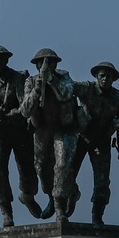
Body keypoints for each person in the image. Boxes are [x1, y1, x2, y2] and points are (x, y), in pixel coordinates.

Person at [0, 45, 43, 227]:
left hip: (20, 131)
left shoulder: (18, 79)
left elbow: (24, 106)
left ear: (6, 60)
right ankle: (6, 210)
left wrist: (8, 114)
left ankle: (28, 196)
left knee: (27, 169)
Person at [19, 48, 83, 222]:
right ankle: (57, 195)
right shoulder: (31, 82)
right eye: (41, 62)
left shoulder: (64, 77)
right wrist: (37, 90)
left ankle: (59, 208)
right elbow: (25, 111)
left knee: (61, 166)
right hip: (42, 131)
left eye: (50, 62)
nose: (45, 66)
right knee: (41, 169)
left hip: (64, 130)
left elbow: (67, 94)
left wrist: (52, 80)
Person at [73, 61, 119, 227]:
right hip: (81, 138)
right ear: (96, 76)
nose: (105, 79)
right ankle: (64, 204)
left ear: (113, 79)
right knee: (67, 174)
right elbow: (67, 89)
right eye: (102, 75)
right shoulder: (87, 88)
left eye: (108, 76)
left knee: (102, 182)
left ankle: (97, 216)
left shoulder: (118, 96)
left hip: (102, 141)